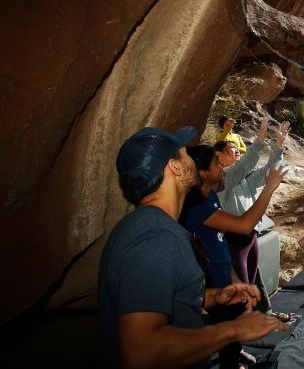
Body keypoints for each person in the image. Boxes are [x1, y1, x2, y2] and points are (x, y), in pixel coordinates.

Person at [97, 126, 287, 368]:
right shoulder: (155, 239)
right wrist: (233, 329)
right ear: (176, 167)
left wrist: (213, 296)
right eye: (185, 153)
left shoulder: (155, 228)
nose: (192, 158)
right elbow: (141, 352)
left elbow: (167, 300)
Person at [181, 141, 286, 369]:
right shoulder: (195, 206)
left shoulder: (210, 196)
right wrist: (269, 188)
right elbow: (243, 225)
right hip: (209, 284)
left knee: (234, 316)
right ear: (203, 173)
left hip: (223, 275)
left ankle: (235, 353)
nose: (222, 168)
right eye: (216, 163)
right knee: (222, 325)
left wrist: (236, 279)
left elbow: (217, 243)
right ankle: (230, 362)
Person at [214, 119, 290, 285]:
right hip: (233, 239)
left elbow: (270, 171)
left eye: (237, 149)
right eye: (230, 149)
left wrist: (278, 144)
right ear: (218, 156)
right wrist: (260, 139)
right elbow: (241, 167)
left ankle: (261, 309)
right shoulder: (221, 181)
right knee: (241, 284)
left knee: (254, 280)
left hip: (251, 235)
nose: (236, 152)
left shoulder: (244, 179)